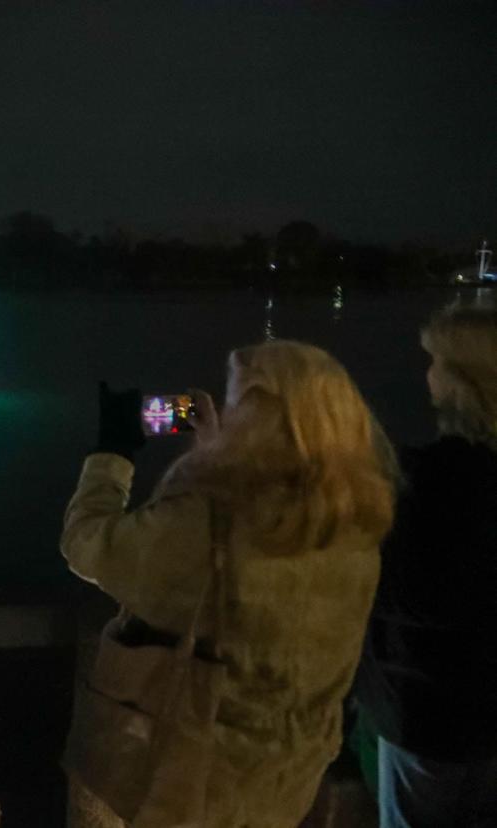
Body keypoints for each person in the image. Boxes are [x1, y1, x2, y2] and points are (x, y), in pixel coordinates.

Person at [61, 340, 396, 827]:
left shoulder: (210, 520)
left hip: (199, 778)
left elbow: (86, 545)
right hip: (291, 774)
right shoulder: (357, 525)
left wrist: (111, 454)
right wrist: (217, 446)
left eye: (241, 404)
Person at [355, 304, 497, 827]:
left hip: (431, 716)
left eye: (433, 360)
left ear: (463, 381)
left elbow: (410, 593)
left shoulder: (433, 482)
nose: (426, 373)